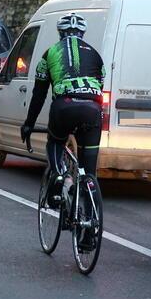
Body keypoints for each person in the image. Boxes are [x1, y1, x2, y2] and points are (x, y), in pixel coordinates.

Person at [20, 13, 105, 205]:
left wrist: (29, 124)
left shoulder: (49, 53)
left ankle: (60, 176)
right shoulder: (96, 55)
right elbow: (99, 86)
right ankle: (89, 212)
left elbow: (39, 94)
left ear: (60, 33)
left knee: (55, 143)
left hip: (64, 107)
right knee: (89, 172)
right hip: (92, 109)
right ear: (83, 33)